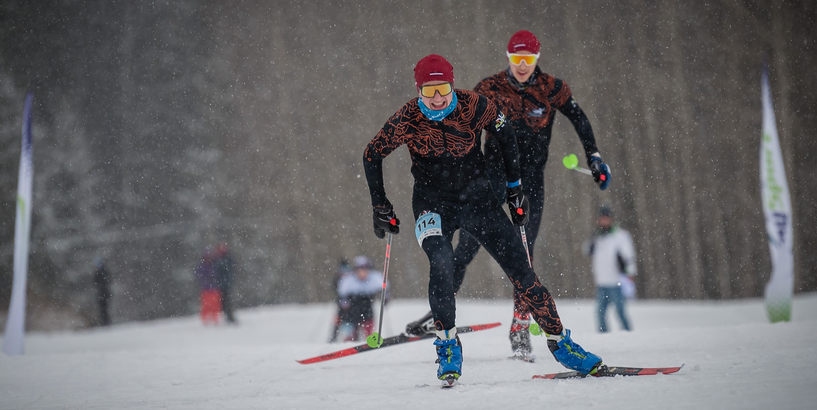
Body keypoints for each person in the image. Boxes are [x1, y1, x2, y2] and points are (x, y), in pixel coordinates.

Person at [363, 53, 603, 383]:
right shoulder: (408, 117)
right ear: (418, 90)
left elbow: (505, 137)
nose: (437, 98)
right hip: (432, 205)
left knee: (522, 270)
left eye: (443, 89)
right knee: (443, 261)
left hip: (477, 200)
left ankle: (561, 342)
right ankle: (448, 344)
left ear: (452, 84)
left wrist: (515, 188)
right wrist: (380, 206)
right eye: (429, 91)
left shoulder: (474, 105)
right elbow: (372, 153)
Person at [583, 206, 636, 332]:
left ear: (611, 219)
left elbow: (628, 256)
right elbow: (586, 251)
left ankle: (628, 334)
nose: (604, 221)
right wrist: (592, 240)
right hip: (601, 282)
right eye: (601, 219)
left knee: (620, 311)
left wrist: (631, 273)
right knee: (600, 313)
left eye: (606, 218)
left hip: (616, 281)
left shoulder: (620, 235)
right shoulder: (597, 236)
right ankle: (604, 336)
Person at [336, 255, 385, 342]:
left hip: (368, 312)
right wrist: (343, 302)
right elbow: (342, 293)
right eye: (360, 269)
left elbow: (384, 286)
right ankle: (349, 342)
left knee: (369, 331)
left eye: (365, 269)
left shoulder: (374, 278)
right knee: (351, 333)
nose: (362, 272)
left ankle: (371, 342)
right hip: (353, 312)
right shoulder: (349, 280)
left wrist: (385, 297)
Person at [195, 248, 221, 325]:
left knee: (215, 305)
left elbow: (218, 275)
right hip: (206, 289)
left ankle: (215, 318)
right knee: (206, 305)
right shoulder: (202, 266)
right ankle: (205, 319)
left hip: (214, 288)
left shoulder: (214, 265)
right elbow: (199, 276)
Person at [328, 258, 352, 343]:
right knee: (338, 321)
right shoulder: (337, 276)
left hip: (351, 305)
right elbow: (334, 287)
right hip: (340, 304)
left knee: (351, 321)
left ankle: (351, 338)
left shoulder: (351, 276)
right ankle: (334, 337)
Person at [213, 242, 237, 324]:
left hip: (225, 284)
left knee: (226, 301)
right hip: (221, 284)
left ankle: (229, 316)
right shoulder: (218, 259)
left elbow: (228, 270)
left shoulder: (226, 259)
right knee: (222, 302)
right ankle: (226, 316)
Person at [93, 257, 112, 326]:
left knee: (103, 309)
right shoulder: (104, 271)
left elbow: (96, 281)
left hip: (102, 293)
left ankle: (105, 322)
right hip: (103, 293)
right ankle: (105, 321)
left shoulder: (101, 272)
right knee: (104, 308)